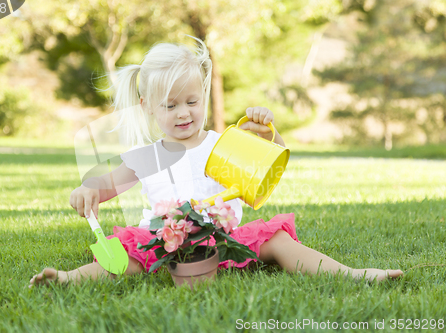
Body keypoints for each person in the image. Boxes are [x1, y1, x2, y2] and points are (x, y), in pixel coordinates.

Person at [29, 35, 403, 288]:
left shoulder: (221, 142)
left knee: (276, 239)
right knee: (126, 255)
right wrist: (86, 189)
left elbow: (273, 160)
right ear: (148, 108)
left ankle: (353, 274)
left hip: (225, 239)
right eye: (170, 106)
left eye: (191, 101)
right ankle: (67, 278)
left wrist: (265, 129)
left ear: (203, 94)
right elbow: (107, 184)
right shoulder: (147, 157)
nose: (183, 114)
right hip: (166, 241)